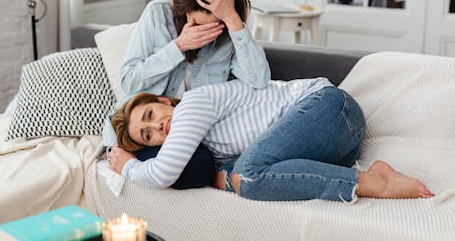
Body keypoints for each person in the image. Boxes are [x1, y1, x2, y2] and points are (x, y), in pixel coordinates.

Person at [107, 78, 435, 202]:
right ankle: (373, 170)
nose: (158, 127)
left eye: (150, 114)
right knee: (240, 174)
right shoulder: (202, 144)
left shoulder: (193, 104)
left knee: (246, 176)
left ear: (163, 101)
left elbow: (163, 173)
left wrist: (128, 167)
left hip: (330, 108)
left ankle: (373, 183)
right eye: (147, 135)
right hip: (335, 147)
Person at [102, 0, 270, 147]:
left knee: (198, 164)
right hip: (142, 133)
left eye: (208, 27)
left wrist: (232, 19)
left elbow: (259, 80)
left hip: (190, 134)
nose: (195, 28)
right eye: (194, 21)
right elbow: (130, 80)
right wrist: (178, 46)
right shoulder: (158, 14)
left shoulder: (229, 37)